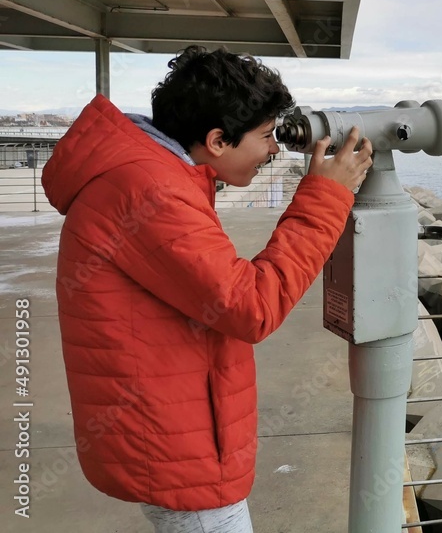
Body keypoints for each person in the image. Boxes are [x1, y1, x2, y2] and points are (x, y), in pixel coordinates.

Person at [41, 46, 373, 532]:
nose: (276, 150)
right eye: (265, 136)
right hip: (177, 446)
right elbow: (251, 305)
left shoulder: (153, 173)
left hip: (171, 429)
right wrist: (327, 197)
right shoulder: (150, 191)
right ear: (218, 140)